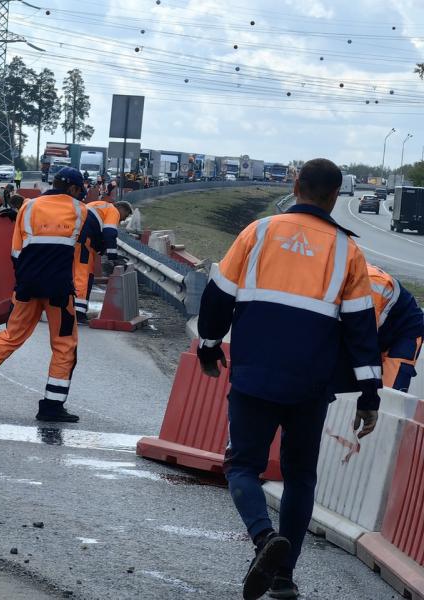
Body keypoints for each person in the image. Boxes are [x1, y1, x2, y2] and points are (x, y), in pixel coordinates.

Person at [196, 158, 381, 600]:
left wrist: (208, 346)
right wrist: (369, 395)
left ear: (295, 185)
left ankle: (264, 540)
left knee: (242, 466)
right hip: (310, 386)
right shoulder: (348, 252)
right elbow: (361, 329)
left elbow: (218, 296)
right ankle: (283, 577)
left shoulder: (257, 233)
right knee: (300, 477)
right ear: (336, 197)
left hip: (254, 375)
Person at [0, 167, 91, 423]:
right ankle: (51, 405)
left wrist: (25, 281)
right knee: (64, 345)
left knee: (10, 337)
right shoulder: (80, 210)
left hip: (26, 285)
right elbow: (86, 247)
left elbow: (16, 252)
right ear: (72, 189)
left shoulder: (29, 207)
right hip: (59, 290)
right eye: (79, 191)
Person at [336, 263, 424, 392]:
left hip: (404, 333)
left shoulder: (369, 284)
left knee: (389, 394)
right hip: (377, 326)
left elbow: (361, 341)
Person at [73, 200, 133, 322]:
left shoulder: (98, 205)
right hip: (84, 243)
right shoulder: (113, 211)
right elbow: (109, 233)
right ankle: (78, 313)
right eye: (125, 216)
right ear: (121, 208)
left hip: (76, 240)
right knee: (83, 277)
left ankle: (71, 309)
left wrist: (103, 250)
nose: (121, 221)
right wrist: (113, 257)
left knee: (76, 275)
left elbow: (98, 232)